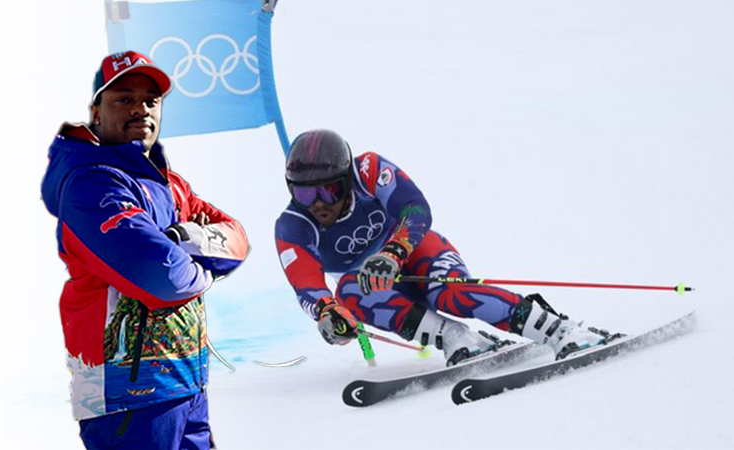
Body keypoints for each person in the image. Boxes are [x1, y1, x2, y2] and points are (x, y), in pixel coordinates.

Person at [41, 51, 249, 450]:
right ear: (96, 112)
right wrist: (203, 267)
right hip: (126, 395)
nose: (141, 109)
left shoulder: (171, 184)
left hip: (187, 382)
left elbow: (237, 238)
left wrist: (183, 239)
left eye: (151, 100)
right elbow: (163, 277)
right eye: (123, 98)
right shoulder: (92, 184)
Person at [274, 129, 617, 366]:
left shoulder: (369, 170)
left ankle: (563, 331)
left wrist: (394, 252)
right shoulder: (293, 226)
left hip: (417, 252)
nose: (318, 203)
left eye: (329, 191)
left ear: (347, 180)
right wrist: (329, 317)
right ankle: (456, 337)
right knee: (349, 292)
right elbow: (308, 288)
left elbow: (416, 209)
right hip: (376, 284)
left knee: (449, 294)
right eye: (304, 193)